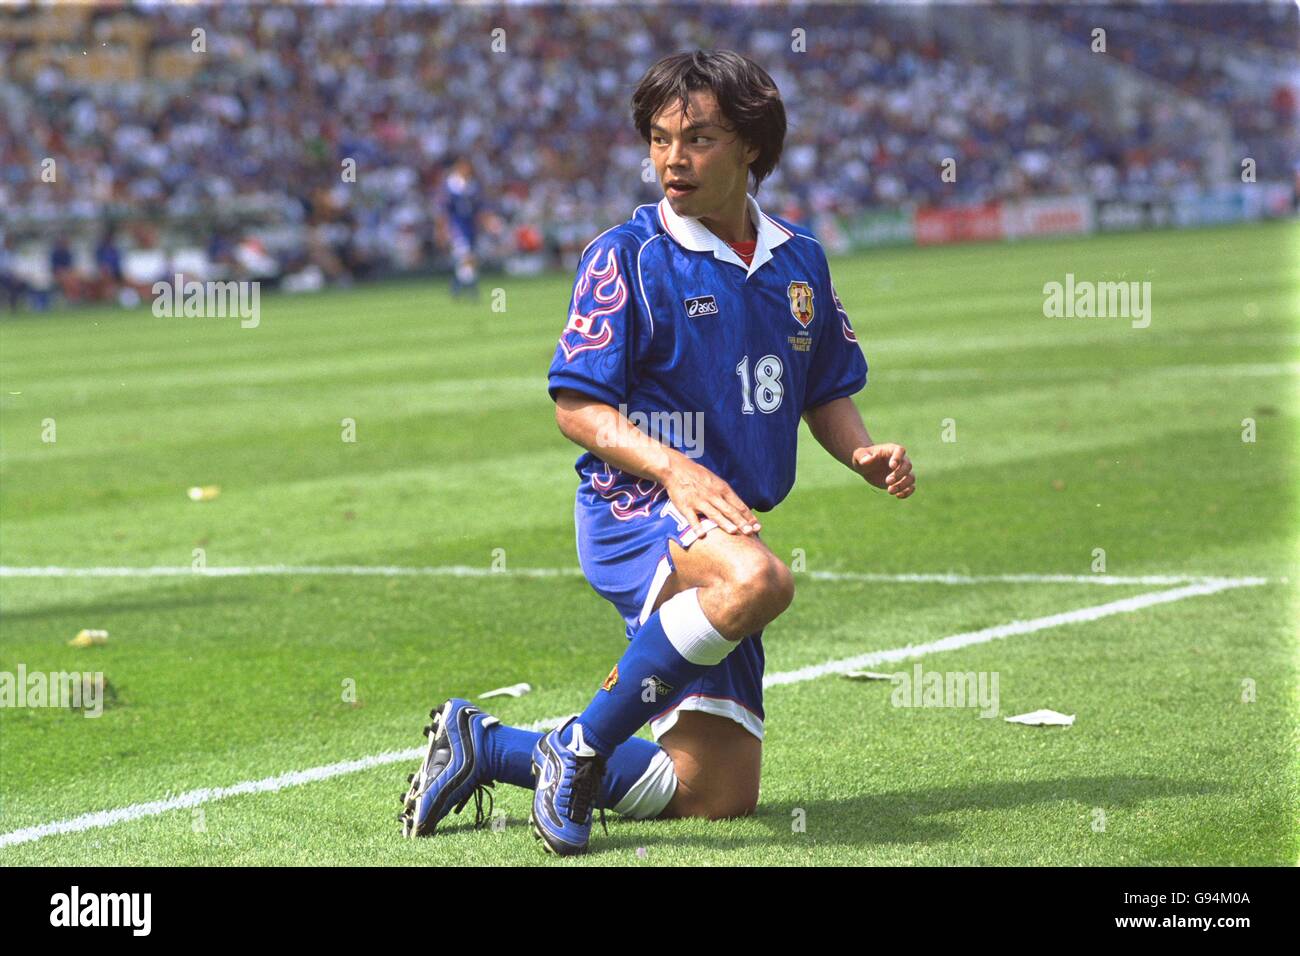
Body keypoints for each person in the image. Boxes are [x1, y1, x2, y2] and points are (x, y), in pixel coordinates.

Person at [400, 50, 915, 855]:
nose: (673, 158)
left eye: (699, 138)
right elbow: (579, 406)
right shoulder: (626, 256)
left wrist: (860, 454)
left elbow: (822, 388)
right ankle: (576, 749)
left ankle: (486, 744)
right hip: (633, 504)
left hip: (722, 519)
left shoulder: (800, 260)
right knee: (761, 579)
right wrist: (674, 467)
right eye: (660, 138)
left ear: (751, 145)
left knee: (712, 796)